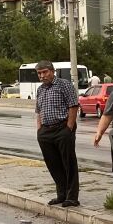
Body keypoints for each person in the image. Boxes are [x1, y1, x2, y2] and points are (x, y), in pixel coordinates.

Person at [34, 59, 80, 208]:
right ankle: (61, 194)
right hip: (46, 131)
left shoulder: (64, 85)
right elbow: (38, 111)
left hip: (62, 128)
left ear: (52, 71)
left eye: (44, 72)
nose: (42, 76)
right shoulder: (40, 89)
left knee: (68, 162)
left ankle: (72, 197)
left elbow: (73, 105)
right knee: (53, 164)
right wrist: (39, 130)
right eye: (39, 73)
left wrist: (69, 127)